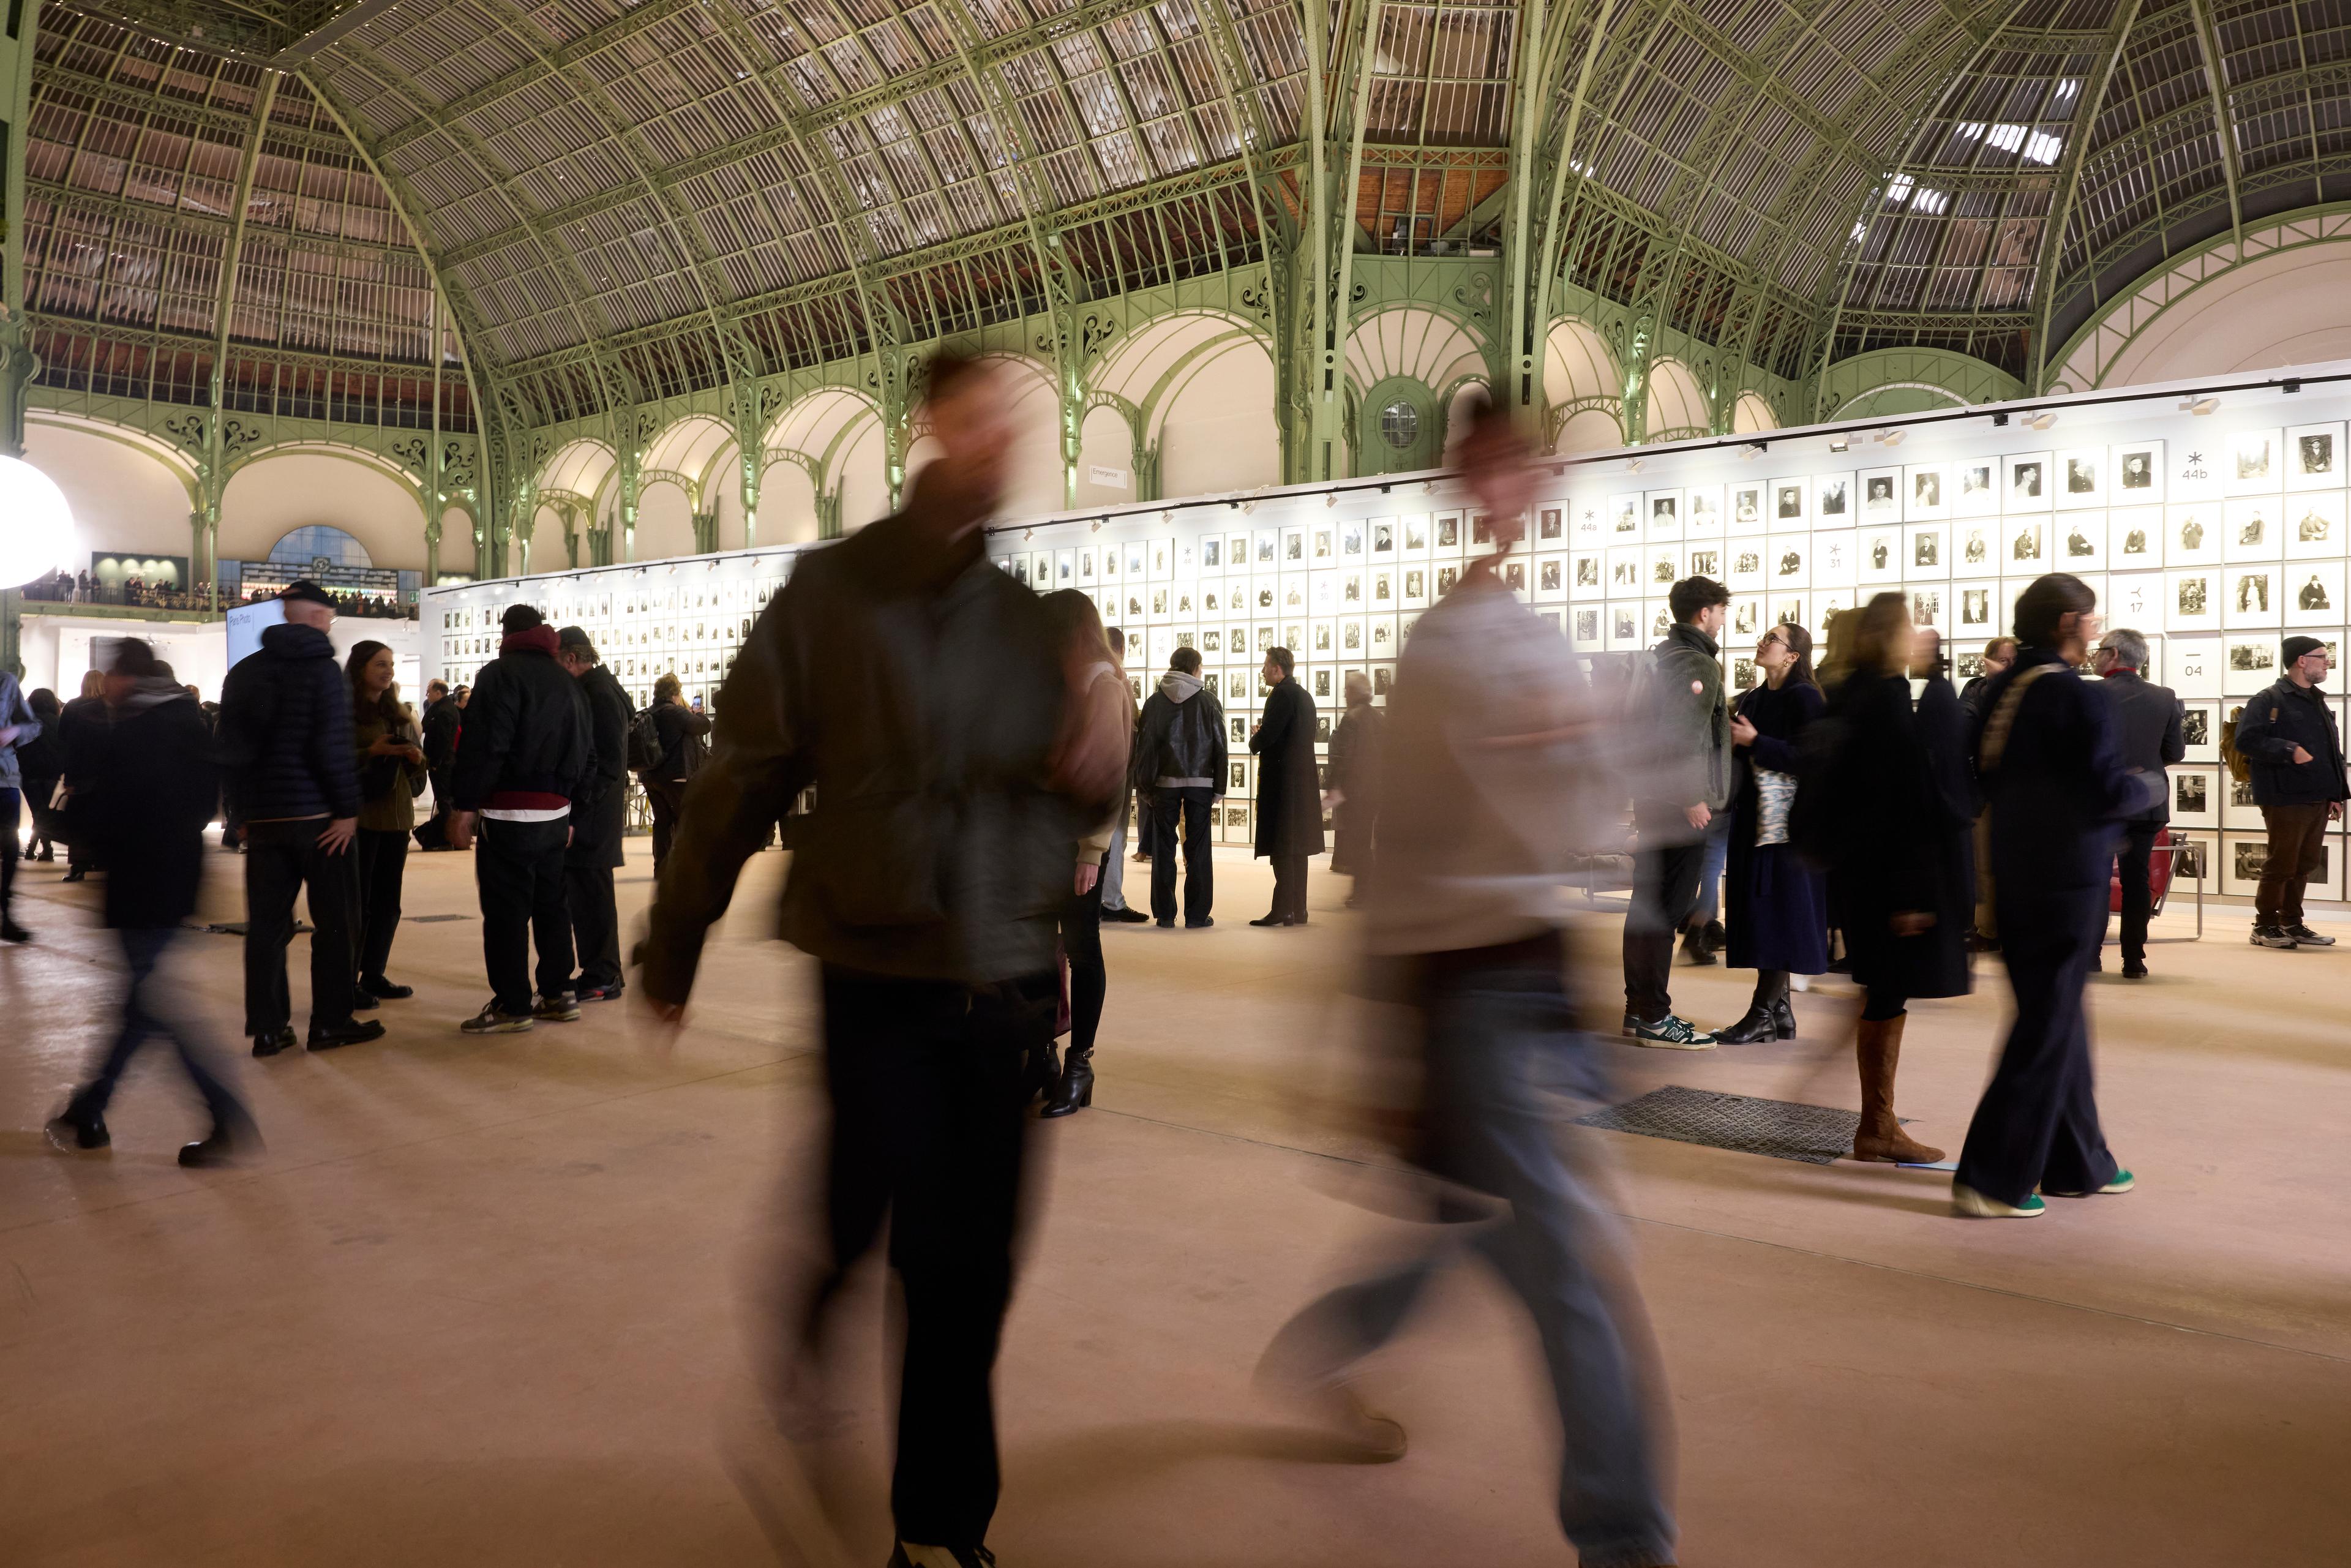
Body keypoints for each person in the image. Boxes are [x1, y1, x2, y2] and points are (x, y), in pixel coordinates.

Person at [637, 350, 1125, 1568]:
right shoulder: (832, 594)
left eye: (1014, 424)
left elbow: (1063, 801)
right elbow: (741, 772)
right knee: (889, 1227)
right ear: (927, 426)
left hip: (1006, 973)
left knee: (973, 1266)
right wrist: (678, 934)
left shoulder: (1034, 622)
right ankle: (857, 1401)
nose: (998, 442)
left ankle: (936, 1523)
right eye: (976, 419)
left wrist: (1094, 758)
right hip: (877, 969)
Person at [1256, 399, 1678, 1568]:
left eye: (1530, 466)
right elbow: (1409, 848)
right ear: (1461, 479)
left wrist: (1576, 744)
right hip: (1473, 987)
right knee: (1567, 1263)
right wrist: (1373, 1033)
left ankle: (1325, 1345)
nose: (1514, 487)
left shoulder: (1519, 628)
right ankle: (1626, 1539)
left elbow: (1588, 801)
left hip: (1529, 973)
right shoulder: (1447, 642)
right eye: (1491, 466)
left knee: (1484, 1225)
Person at [1955, 574, 2158, 1218]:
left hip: (2013, 871)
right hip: (2068, 876)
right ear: (2068, 621)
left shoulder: (2001, 689)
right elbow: (2103, 788)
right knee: (2047, 1022)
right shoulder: (2075, 695)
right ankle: (1991, 1176)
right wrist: (2146, 788)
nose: (2096, 629)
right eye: (2091, 618)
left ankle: (2078, 1161)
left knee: (2058, 1012)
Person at [47, 640, 257, 1166]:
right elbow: (195, 804)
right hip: (171, 878)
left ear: (127, 678)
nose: (106, 688)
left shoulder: (143, 728)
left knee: (154, 1007)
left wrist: (74, 825)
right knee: (141, 1003)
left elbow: (126, 807)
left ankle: (223, 1113)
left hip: (145, 881)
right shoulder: (184, 721)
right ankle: (90, 1108)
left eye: (112, 677)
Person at [1812, 598, 1973, 1163]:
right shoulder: (1884, 698)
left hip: (1859, 875)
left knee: (1881, 988)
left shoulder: (1848, 691)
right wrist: (1912, 894)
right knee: (1886, 990)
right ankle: (1875, 1127)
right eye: (1906, 627)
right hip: (1887, 880)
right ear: (1889, 636)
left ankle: (1875, 1123)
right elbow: (1900, 801)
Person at [216, 579, 382, 1055]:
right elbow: (330, 747)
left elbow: (230, 751)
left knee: (267, 928)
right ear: (315, 616)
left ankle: (269, 1028)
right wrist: (348, 811)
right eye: (328, 615)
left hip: (266, 821)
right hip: (319, 820)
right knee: (337, 921)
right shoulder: (323, 670)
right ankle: (330, 1021)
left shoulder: (244, 672)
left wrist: (242, 814)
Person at [445, 602, 594, 1033]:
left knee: (507, 911)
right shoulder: (567, 682)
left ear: (507, 634)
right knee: (552, 906)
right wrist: (571, 810)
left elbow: (487, 744)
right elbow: (588, 753)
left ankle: (513, 1003)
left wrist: (466, 805)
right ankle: (558, 993)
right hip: (556, 815)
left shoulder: (499, 675)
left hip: (508, 812)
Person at [1621, 574, 1733, 1047]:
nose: (1725, 619)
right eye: (1722, 610)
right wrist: (1692, 796)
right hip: (1679, 806)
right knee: (1667, 910)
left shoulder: (1659, 656)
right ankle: (1655, 1015)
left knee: (1646, 908)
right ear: (1704, 613)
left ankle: (1637, 1008)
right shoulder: (1698, 664)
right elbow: (1684, 734)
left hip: (1651, 799)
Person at [1041, 590, 1135, 1118]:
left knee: (1080, 949)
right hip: (1046, 839)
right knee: (1042, 948)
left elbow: (1108, 777)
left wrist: (1093, 851)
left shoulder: (1103, 682)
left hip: (1078, 845)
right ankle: (1043, 1053)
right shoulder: (1069, 681)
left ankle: (1080, 1062)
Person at [1713, 622, 1828, 1042]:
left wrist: (1756, 740)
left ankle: (1762, 1011)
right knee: (1765, 912)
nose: (1762, 643)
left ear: (1793, 655)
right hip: (1755, 821)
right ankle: (1781, 1013)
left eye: (1772, 640)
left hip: (1788, 827)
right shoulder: (1755, 697)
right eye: (1764, 637)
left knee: (1779, 915)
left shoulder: (1806, 697)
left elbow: (1813, 758)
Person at [2233, 634, 2349, 949]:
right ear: (2302, 661)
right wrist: (2289, 749)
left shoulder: (2316, 699)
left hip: (2317, 795)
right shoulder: (2269, 699)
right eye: (2322, 656)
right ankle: (2265, 925)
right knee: (2282, 861)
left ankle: (2292, 922)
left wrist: (2336, 793)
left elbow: (2331, 751)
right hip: (2284, 794)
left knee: (2306, 862)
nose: (2327, 662)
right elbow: (2246, 740)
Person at [2091, 629, 2183, 977]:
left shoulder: (2090, 693)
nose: (2095, 657)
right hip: (2146, 803)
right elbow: (2175, 752)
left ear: (2113, 654)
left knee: (2097, 882)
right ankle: (2133, 960)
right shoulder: (2164, 697)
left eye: (2099, 651)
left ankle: (2091, 956)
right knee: (2137, 881)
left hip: (2101, 803)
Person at [347, 642, 427, 1007]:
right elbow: (333, 760)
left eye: (391, 665)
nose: (388, 671)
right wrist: (371, 752)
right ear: (361, 667)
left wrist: (413, 755)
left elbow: (418, 768)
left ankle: (374, 973)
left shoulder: (398, 712)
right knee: (358, 903)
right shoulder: (345, 711)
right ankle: (348, 979)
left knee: (388, 903)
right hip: (362, 818)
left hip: (397, 818)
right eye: (380, 664)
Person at [557, 626, 632, 1003]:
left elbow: (609, 762)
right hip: (595, 815)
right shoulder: (601, 687)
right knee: (588, 896)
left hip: (593, 818)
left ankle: (604, 975)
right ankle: (600, 971)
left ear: (572, 658)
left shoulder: (598, 692)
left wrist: (578, 808)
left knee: (593, 897)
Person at [1131, 645, 1226, 927]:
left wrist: (1145, 786)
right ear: (1195, 668)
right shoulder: (1209, 702)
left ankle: (1165, 914)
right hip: (1200, 783)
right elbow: (1220, 746)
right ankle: (1197, 915)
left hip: (1164, 783)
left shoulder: (1155, 702)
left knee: (1163, 847)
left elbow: (1146, 749)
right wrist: (1219, 786)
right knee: (1198, 848)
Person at [1250, 645, 1321, 926]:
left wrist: (1256, 736)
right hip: (1302, 782)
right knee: (1297, 848)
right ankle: (1298, 909)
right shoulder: (1304, 696)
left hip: (1282, 783)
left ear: (1277, 669)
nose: (1263, 671)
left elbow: (1270, 736)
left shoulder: (1280, 695)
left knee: (1282, 847)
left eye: (1266, 666)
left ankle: (1283, 910)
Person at [1097, 623, 1150, 925]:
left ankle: (1103, 898)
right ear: (1122, 650)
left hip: (1103, 771)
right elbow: (1126, 731)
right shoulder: (1116, 679)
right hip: (1115, 773)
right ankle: (1112, 900)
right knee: (1114, 837)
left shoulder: (1092, 674)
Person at [642, 672, 711, 878]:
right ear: (675, 694)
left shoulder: (650, 711)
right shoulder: (675, 712)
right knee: (684, 822)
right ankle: (683, 870)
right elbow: (704, 727)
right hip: (676, 777)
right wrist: (697, 713)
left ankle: (661, 870)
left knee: (662, 823)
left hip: (652, 778)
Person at [1325, 669, 1385, 906]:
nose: (1344, 694)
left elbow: (1344, 756)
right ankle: (1364, 891)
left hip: (1356, 791)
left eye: (1346, 690)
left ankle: (1363, 893)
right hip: (1374, 791)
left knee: (1357, 843)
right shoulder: (1378, 717)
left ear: (1352, 692)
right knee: (1363, 841)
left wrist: (1332, 785)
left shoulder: (1352, 717)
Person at [58, 670, 110, 883]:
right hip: (106, 775)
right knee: (105, 820)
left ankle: (79, 866)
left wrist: (69, 779)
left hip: (81, 774)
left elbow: (66, 744)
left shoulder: (72, 707)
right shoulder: (110, 709)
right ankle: (103, 860)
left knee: (79, 824)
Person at [0, 666, 39, 943]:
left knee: (10, 849)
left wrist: (14, 731)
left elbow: (33, 724)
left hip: (4, 779)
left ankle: (6, 915)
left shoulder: (6, 682)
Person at [20, 688, 65, 865]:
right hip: (52, 774)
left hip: (29, 773)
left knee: (39, 813)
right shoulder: (59, 723)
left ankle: (36, 849)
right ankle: (45, 850)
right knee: (43, 813)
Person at [421, 677, 462, 843]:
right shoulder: (443, 707)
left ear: (438, 692)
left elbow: (443, 740)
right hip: (442, 761)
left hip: (442, 763)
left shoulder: (444, 710)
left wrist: (436, 762)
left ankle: (447, 835)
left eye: (429, 690)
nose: (427, 694)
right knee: (443, 798)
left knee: (444, 798)